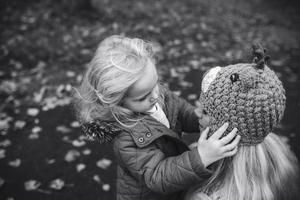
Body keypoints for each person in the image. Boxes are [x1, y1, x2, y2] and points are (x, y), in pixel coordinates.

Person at [73, 35, 240, 200]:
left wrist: (200, 118)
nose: (154, 96)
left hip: (178, 181)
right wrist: (201, 157)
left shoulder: (155, 94)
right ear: (117, 102)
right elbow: (158, 177)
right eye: (142, 97)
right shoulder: (126, 138)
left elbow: (181, 112)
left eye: (156, 84)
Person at [186, 44, 299, 200]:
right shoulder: (275, 153)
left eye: (205, 111)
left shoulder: (208, 196)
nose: (196, 113)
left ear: (230, 129)